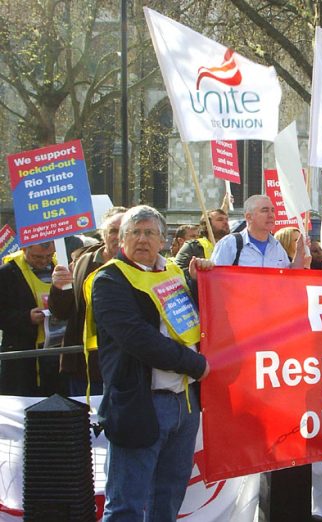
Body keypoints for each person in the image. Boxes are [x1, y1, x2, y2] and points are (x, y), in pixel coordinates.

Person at [89, 205, 211, 520]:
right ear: (121, 239)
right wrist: (196, 365)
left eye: (150, 233)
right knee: (126, 504)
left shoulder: (173, 272)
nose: (142, 239)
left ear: (163, 240)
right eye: (135, 232)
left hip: (183, 405)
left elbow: (193, 322)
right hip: (141, 405)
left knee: (167, 500)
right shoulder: (109, 279)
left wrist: (200, 283)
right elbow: (138, 338)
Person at [211, 194, 309, 520]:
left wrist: (298, 265)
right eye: (266, 210)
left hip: (272, 346)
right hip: (241, 344)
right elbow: (215, 287)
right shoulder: (231, 245)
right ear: (249, 214)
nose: (272, 214)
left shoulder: (279, 249)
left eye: (273, 209)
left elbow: (287, 289)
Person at [48, 206, 127, 396]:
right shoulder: (83, 262)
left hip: (127, 367)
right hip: (87, 368)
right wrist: (59, 288)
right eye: (113, 231)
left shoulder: (145, 265)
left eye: (125, 230)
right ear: (103, 234)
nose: (119, 236)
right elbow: (62, 312)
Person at [0, 242, 65, 396]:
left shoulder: (62, 267)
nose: (43, 261)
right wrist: (25, 317)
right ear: (24, 249)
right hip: (23, 356)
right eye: (37, 257)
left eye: (49, 256)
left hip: (57, 351)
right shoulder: (7, 273)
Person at [175, 208, 229, 277]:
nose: (226, 222)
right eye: (220, 219)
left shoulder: (233, 247)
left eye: (226, 219)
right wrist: (195, 275)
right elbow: (177, 272)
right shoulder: (193, 247)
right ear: (207, 225)